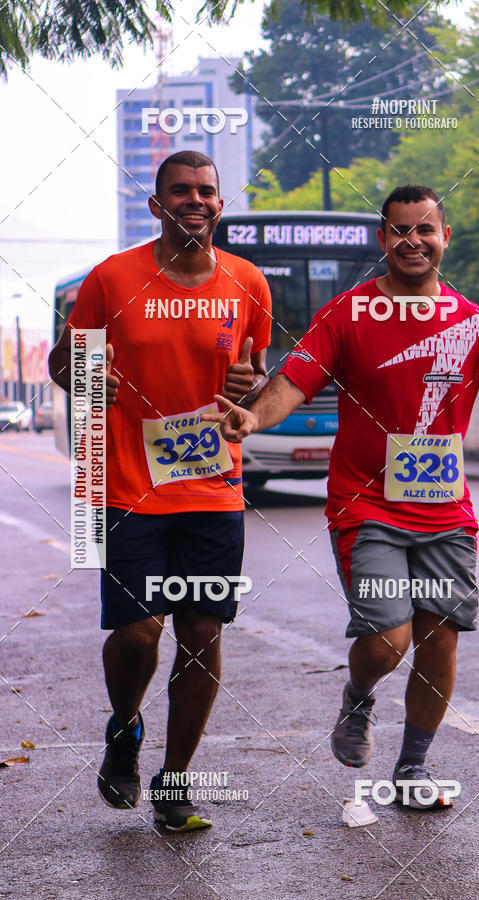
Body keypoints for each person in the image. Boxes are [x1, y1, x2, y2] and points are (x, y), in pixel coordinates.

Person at [202, 184, 479, 809]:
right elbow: (292, 382)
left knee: (439, 638)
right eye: (400, 230)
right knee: (389, 637)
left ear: (445, 238)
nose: (414, 240)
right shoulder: (348, 314)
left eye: (426, 229)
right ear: (382, 239)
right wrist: (254, 419)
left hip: (446, 512)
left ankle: (412, 766)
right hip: (367, 505)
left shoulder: (476, 325)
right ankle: (358, 697)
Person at [48, 151, 271, 831]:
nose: (195, 201)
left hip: (213, 487)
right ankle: (124, 726)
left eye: (206, 191)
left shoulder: (248, 282)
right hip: (126, 486)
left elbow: (255, 374)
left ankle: (175, 781)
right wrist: (90, 378)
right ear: (157, 205)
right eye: (181, 191)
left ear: (220, 205)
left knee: (201, 632)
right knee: (138, 633)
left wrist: (250, 391)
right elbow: (64, 363)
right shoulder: (113, 280)